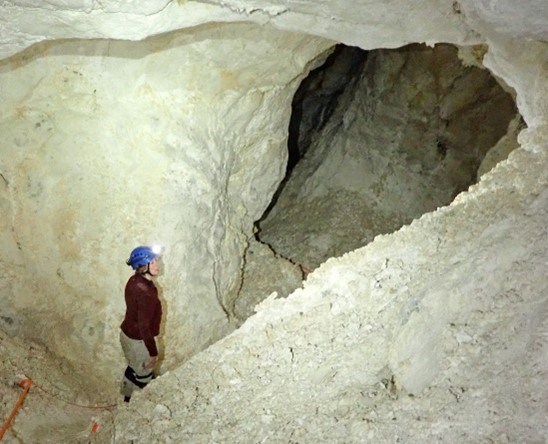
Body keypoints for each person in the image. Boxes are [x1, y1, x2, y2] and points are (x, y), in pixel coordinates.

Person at [119, 245, 163, 403]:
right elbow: (144, 327)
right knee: (144, 377)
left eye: (156, 261)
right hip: (139, 342)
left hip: (127, 335)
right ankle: (140, 408)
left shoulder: (134, 281)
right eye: (152, 263)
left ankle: (126, 398)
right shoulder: (146, 292)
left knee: (133, 367)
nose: (157, 265)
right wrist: (152, 352)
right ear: (143, 267)